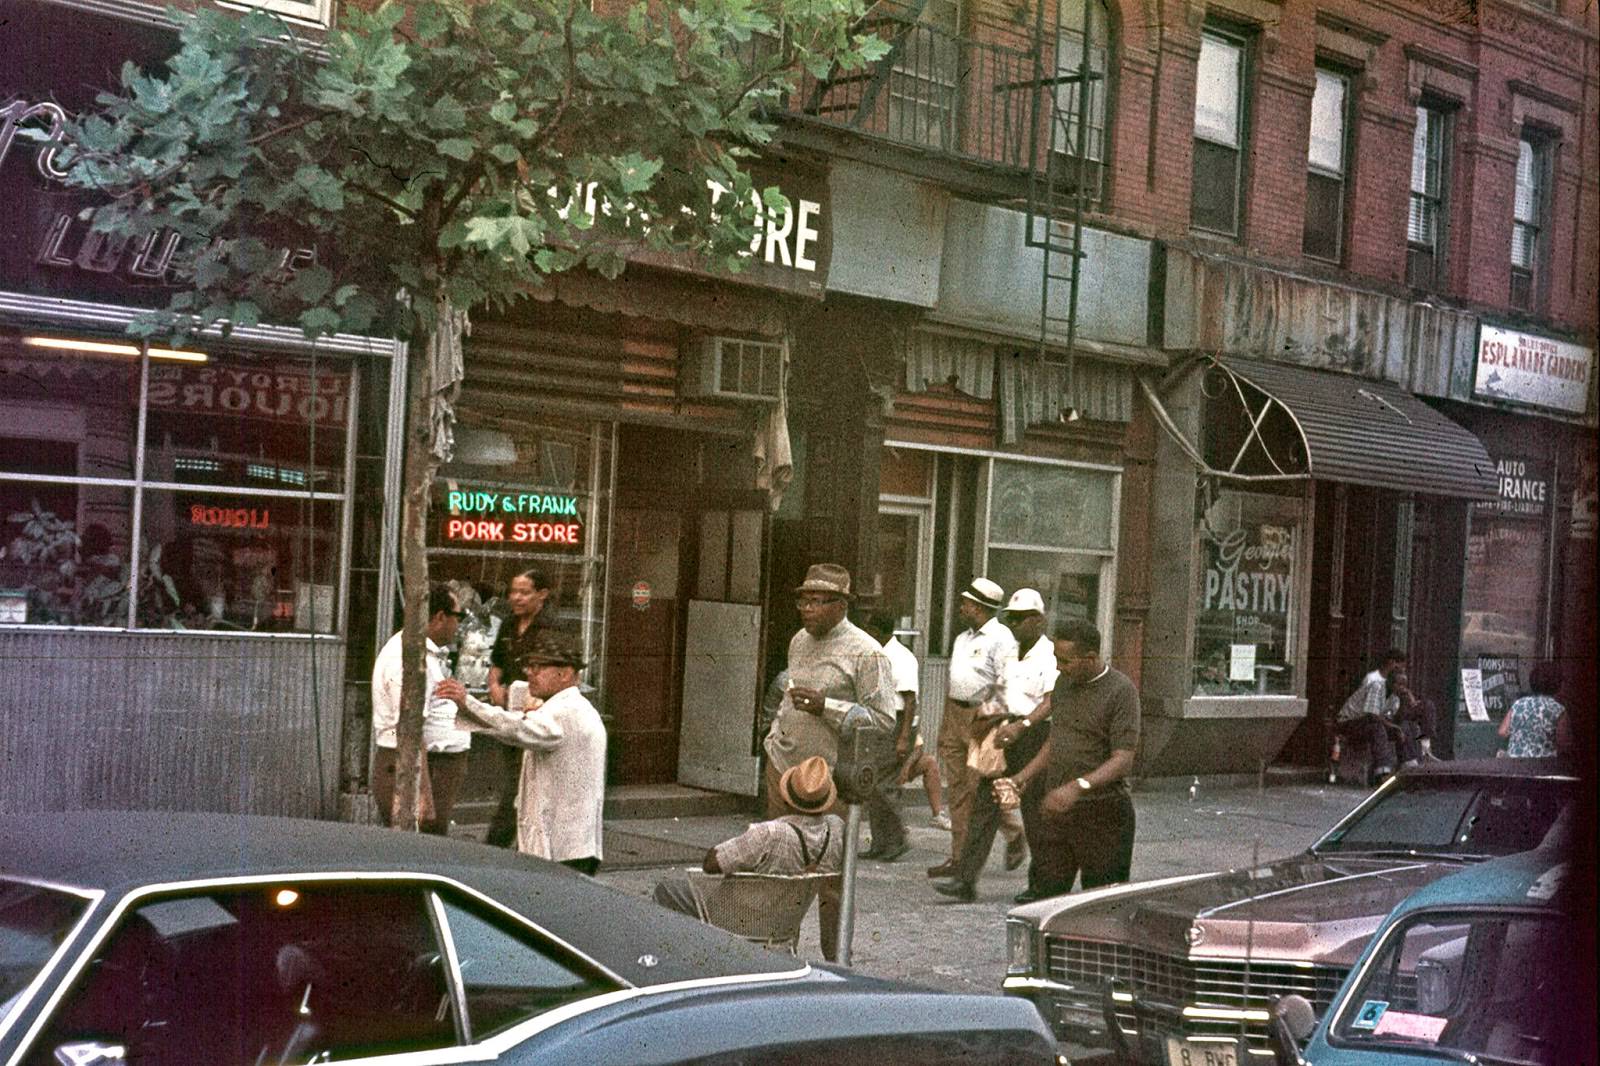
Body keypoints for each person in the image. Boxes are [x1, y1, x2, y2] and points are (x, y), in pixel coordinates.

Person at [438, 632, 606, 874]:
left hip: (563, 849)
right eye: (529, 666)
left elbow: (517, 728)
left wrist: (469, 703)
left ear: (566, 673)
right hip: (570, 844)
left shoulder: (565, 711)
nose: (530, 673)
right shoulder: (567, 706)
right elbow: (520, 710)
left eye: (538, 667)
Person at [652, 755, 848, 960]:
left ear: (785, 798)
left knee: (667, 890)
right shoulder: (836, 830)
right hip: (783, 924)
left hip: (734, 916)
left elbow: (712, 864)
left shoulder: (770, 833)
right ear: (825, 802)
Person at [935, 589, 1057, 902]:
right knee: (983, 806)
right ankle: (965, 881)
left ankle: (1041, 885)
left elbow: (1050, 701)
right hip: (1003, 731)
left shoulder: (1049, 655)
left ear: (1038, 620)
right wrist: (984, 719)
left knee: (1033, 811)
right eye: (1011, 619)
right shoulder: (1010, 652)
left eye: (1020, 619)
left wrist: (1023, 725)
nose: (1015, 625)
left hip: (1033, 735)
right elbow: (1002, 692)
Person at [1011, 618, 1139, 897]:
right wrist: (1024, 776)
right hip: (1058, 813)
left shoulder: (1121, 691)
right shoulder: (1063, 684)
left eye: (1065, 660)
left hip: (1102, 814)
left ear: (1090, 658)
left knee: (1099, 903)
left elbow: (1123, 759)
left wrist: (1076, 787)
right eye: (1056, 658)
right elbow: (1056, 740)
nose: (1058, 667)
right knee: (1046, 899)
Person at [928, 577, 1023, 880]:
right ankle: (959, 857)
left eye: (967, 603)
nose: (962, 606)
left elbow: (1007, 684)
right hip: (956, 714)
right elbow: (955, 680)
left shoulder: (1002, 638)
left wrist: (988, 721)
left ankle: (1010, 832)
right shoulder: (962, 638)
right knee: (957, 790)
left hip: (983, 719)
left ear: (981, 607)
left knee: (975, 789)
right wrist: (947, 719)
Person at [370, 584, 472, 834]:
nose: (458, 626)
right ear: (440, 616)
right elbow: (411, 732)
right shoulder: (409, 657)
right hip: (421, 768)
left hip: (436, 767)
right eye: (457, 617)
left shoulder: (426, 653)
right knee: (424, 845)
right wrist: (423, 796)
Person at [483, 568, 559, 848]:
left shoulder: (551, 628)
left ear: (542, 594)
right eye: (513, 592)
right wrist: (494, 684)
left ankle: (497, 844)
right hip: (509, 714)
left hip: (536, 716)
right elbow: (496, 665)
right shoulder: (507, 625)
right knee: (516, 779)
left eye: (524, 592)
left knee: (521, 784)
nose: (517, 598)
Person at [860, 611, 945, 852]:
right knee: (874, 784)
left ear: (878, 631)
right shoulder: (875, 653)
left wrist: (904, 737)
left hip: (897, 722)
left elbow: (909, 700)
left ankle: (897, 841)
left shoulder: (902, 657)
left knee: (885, 785)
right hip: (878, 719)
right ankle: (879, 843)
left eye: (870, 629)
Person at [1336, 649, 1428, 781]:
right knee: (1377, 727)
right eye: (1399, 684)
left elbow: (1397, 720)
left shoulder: (1395, 696)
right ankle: (1383, 772)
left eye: (1404, 685)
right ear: (1390, 682)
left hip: (1369, 723)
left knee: (1408, 725)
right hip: (1349, 722)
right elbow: (1371, 715)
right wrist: (1394, 728)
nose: (1402, 688)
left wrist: (1403, 703)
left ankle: (1410, 766)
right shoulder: (1377, 686)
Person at [1500, 660, 1570, 758]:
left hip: (1514, 762)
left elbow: (1503, 732)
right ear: (1557, 684)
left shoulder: (1519, 703)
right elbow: (1563, 742)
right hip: (1544, 765)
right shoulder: (1558, 709)